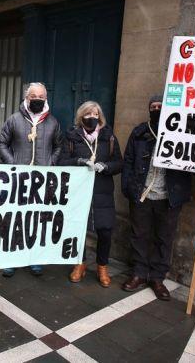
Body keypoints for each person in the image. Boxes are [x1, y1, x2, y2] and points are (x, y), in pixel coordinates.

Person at [121, 95, 195, 301]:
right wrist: (129, 189)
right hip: (142, 194)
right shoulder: (139, 132)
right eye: (153, 107)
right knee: (139, 235)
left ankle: (157, 278)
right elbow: (128, 161)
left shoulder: (182, 133)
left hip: (170, 197)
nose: (156, 109)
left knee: (164, 238)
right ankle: (138, 273)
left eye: (160, 106)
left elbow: (193, 160)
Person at [0, 82, 62, 277]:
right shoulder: (14, 119)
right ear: (26, 97)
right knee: (16, 220)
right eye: (34, 96)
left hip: (42, 182)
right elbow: (1, 144)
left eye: (41, 97)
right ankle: (12, 259)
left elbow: (59, 146)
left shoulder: (53, 123)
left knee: (39, 221)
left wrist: (51, 163)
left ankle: (35, 258)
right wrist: (12, 163)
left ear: (46, 99)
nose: (37, 100)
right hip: (18, 180)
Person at [59, 101, 123, 285]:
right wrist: (78, 161)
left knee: (105, 231)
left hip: (102, 191)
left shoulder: (109, 136)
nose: (92, 118)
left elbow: (119, 162)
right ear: (81, 117)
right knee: (79, 229)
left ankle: (102, 266)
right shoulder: (72, 136)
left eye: (95, 115)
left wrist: (107, 166)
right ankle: (80, 263)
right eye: (88, 114)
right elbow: (62, 161)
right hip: (79, 191)